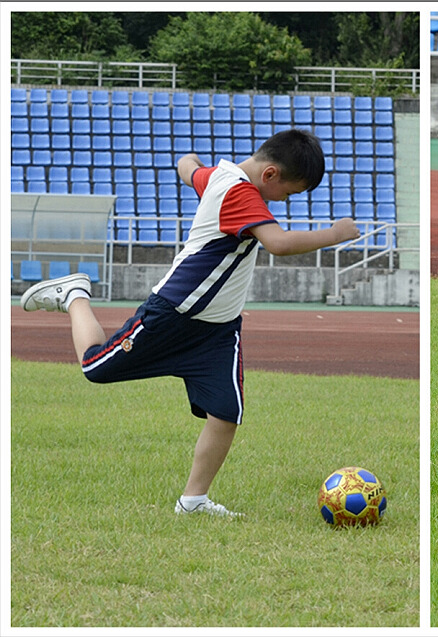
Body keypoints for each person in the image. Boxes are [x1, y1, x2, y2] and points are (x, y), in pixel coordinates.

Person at [21, 128, 361, 517]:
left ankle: (193, 501)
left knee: (226, 411)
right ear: (270, 175)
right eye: (289, 192)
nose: (285, 201)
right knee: (96, 367)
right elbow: (278, 243)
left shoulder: (220, 176)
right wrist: (335, 234)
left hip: (218, 331)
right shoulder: (240, 193)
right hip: (173, 317)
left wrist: (192, 161)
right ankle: (75, 296)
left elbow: (189, 169)